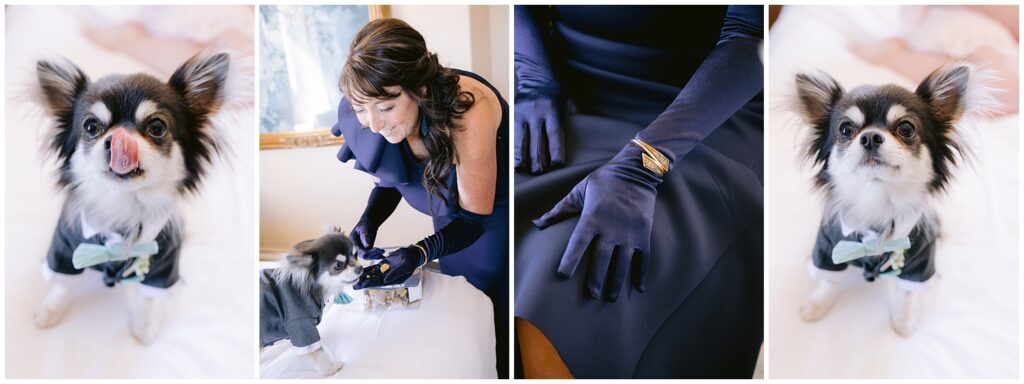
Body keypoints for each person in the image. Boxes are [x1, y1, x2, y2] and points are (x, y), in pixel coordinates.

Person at [514, 5, 764, 378]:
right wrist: (531, 78)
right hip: (567, 99)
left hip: (705, 111)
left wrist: (644, 162)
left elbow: (750, 33)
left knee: (559, 275)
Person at [332, 18, 509, 378]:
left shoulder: (468, 112)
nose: (373, 124)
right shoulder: (371, 107)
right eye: (362, 109)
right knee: (460, 299)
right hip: (449, 218)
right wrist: (369, 219)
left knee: (493, 299)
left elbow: (474, 219)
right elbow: (394, 177)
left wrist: (419, 252)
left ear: (421, 90)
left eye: (385, 108)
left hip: (493, 214)